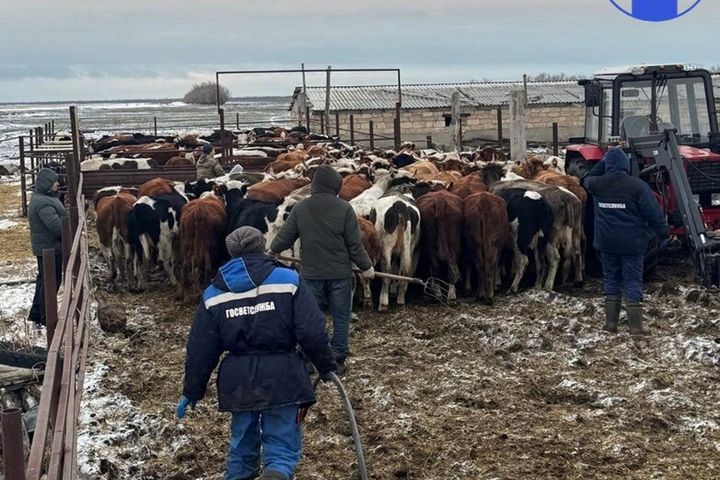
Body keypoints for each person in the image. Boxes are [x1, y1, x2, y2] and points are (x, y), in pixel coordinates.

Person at [177, 226, 337, 480]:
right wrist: (326, 365)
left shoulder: (214, 293)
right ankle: (275, 474)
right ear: (262, 247)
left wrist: (192, 390)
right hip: (282, 375)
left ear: (231, 252)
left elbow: (201, 348)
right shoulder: (288, 280)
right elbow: (312, 331)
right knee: (281, 448)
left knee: (241, 446)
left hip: (238, 380)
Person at [269, 165, 374, 374]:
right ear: (335, 185)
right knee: (341, 317)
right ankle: (337, 359)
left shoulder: (300, 208)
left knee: (310, 318)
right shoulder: (345, 208)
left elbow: (285, 236)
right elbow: (354, 246)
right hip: (340, 276)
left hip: (311, 275)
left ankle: (308, 359)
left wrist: (274, 250)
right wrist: (366, 266)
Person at [584, 147, 669, 335]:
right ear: (626, 164)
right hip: (632, 243)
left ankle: (610, 324)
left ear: (607, 164)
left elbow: (588, 176)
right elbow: (653, 214)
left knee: (611, 278)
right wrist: (664, 233)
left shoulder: (596, 185)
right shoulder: (637, 186)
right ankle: (636, 326)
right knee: (632, 280)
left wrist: (603, 161)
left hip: (606, 242)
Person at [27, 168, 67, 327]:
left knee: (44, 281)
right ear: (46, 184)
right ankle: (47, 318)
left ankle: (36, 314)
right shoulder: (43, 202)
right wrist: (70, 228)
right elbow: (56, 225)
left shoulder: (44, 197)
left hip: (48, 246)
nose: (57, 184)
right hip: (50, 248)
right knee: (50, 282)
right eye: (54, 181)